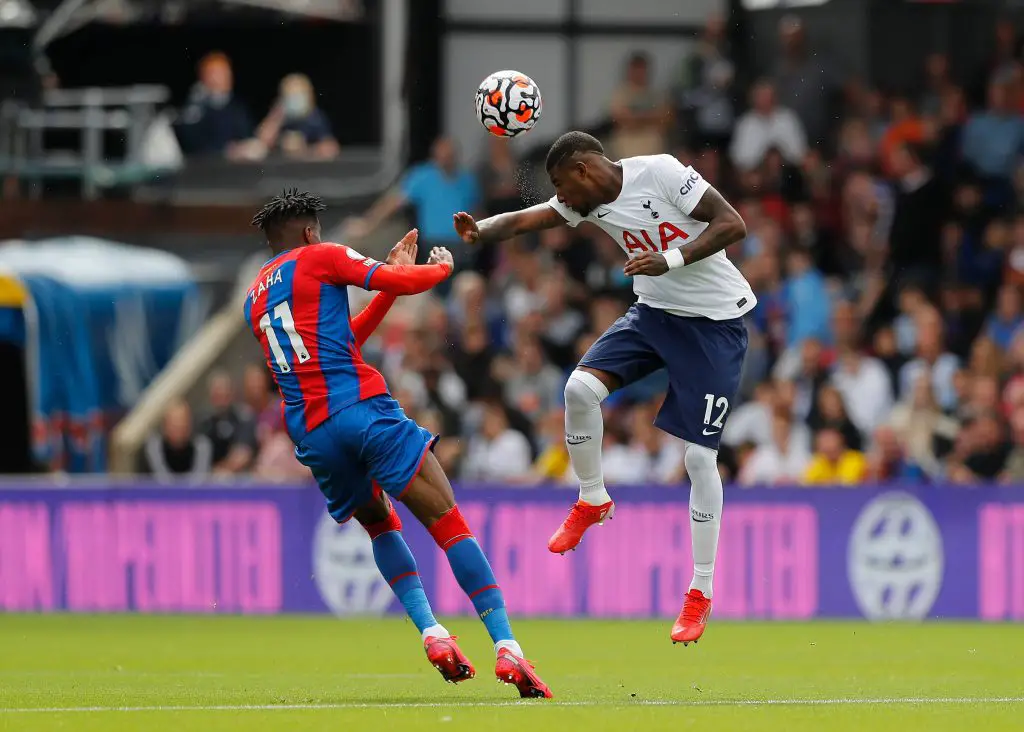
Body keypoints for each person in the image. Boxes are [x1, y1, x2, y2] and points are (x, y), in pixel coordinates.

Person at [244, 190, 551, 698]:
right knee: (447, 520)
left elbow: (341, 339)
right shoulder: (321, 255)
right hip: (360, 409)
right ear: (307, 232)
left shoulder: (255, 295)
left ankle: (431, 633)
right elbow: (401, 280)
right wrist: (440, 270)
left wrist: (386, 291)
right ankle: (507, 647)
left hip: (313, 433)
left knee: (380, 525)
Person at [453, 131, 752, 646]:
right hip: (655, 315)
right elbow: (528, 219)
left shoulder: (658, 171)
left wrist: (671, 259)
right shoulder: (583, 203)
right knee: (577, 391)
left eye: (560, 183)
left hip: (715, 324)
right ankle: (593, 499)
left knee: (700, 461)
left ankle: (700, 590)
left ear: (585, 168)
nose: (560, 196)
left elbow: (733, 224)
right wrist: (480, 229)